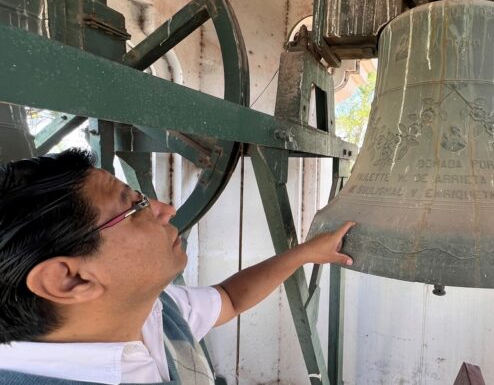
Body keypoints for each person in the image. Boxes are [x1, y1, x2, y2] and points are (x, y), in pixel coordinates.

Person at [0, 148, 355, 384]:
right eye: (134, 206)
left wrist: (304, 253)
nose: (165, 209)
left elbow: (230, 298)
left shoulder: (153, 311)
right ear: (71, 279)